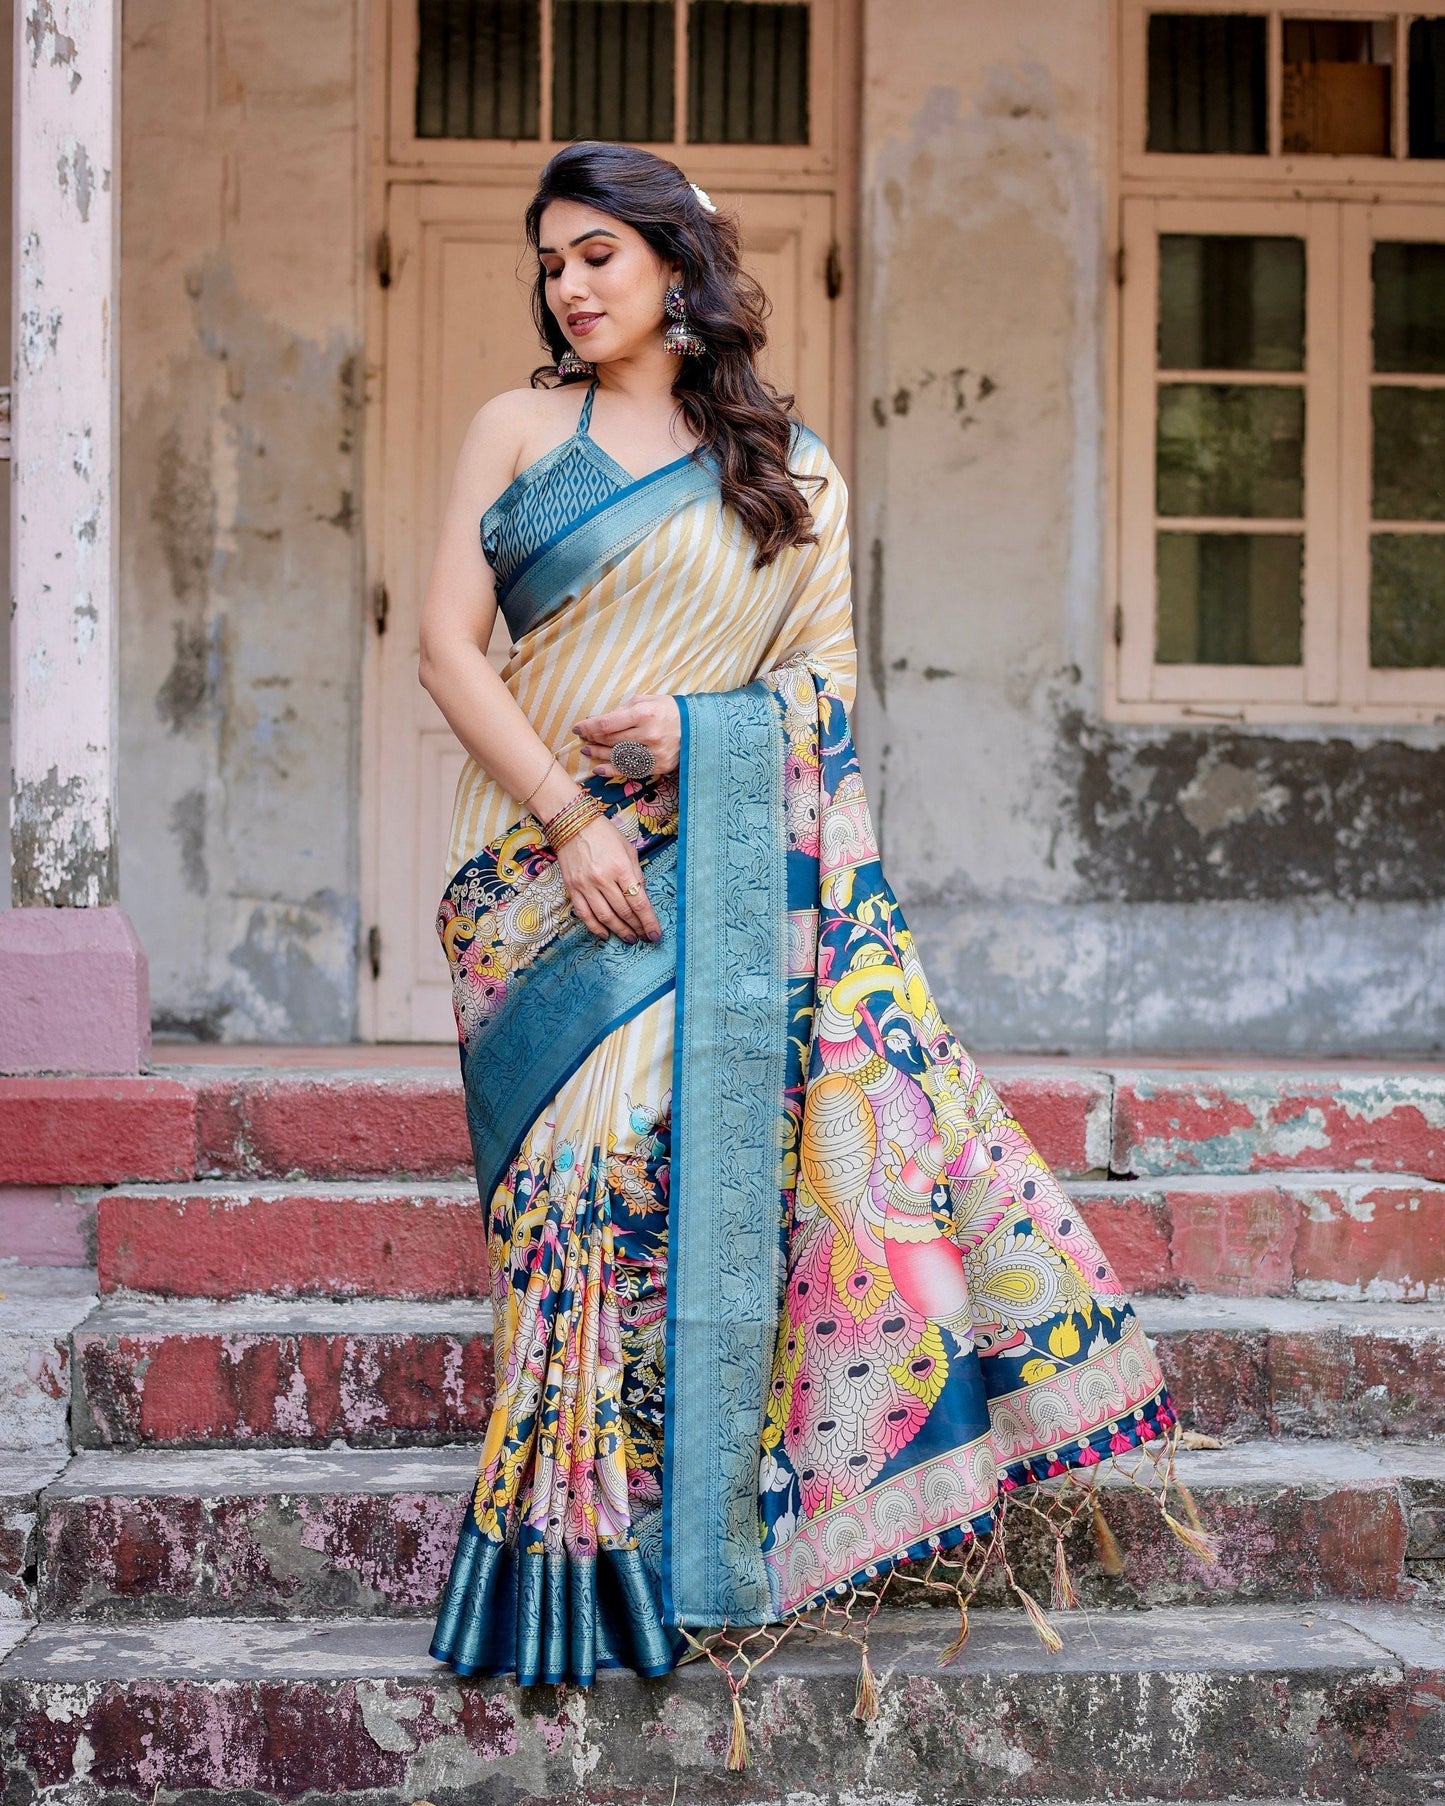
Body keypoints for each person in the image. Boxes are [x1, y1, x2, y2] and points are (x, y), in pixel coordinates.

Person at [419, 140, 1202, 1750]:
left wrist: (705, 733)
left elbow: (830, 699)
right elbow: (444, 645)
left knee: (647, 1176)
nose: (568, 287)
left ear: (676, 268)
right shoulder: (517, 426)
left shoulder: (790, 467)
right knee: (560, 1187)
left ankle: (656, 1539)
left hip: (702, 874)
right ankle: (559, 1555)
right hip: (532, 873)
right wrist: (569, 814)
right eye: (551, 262)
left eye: (598, 257)